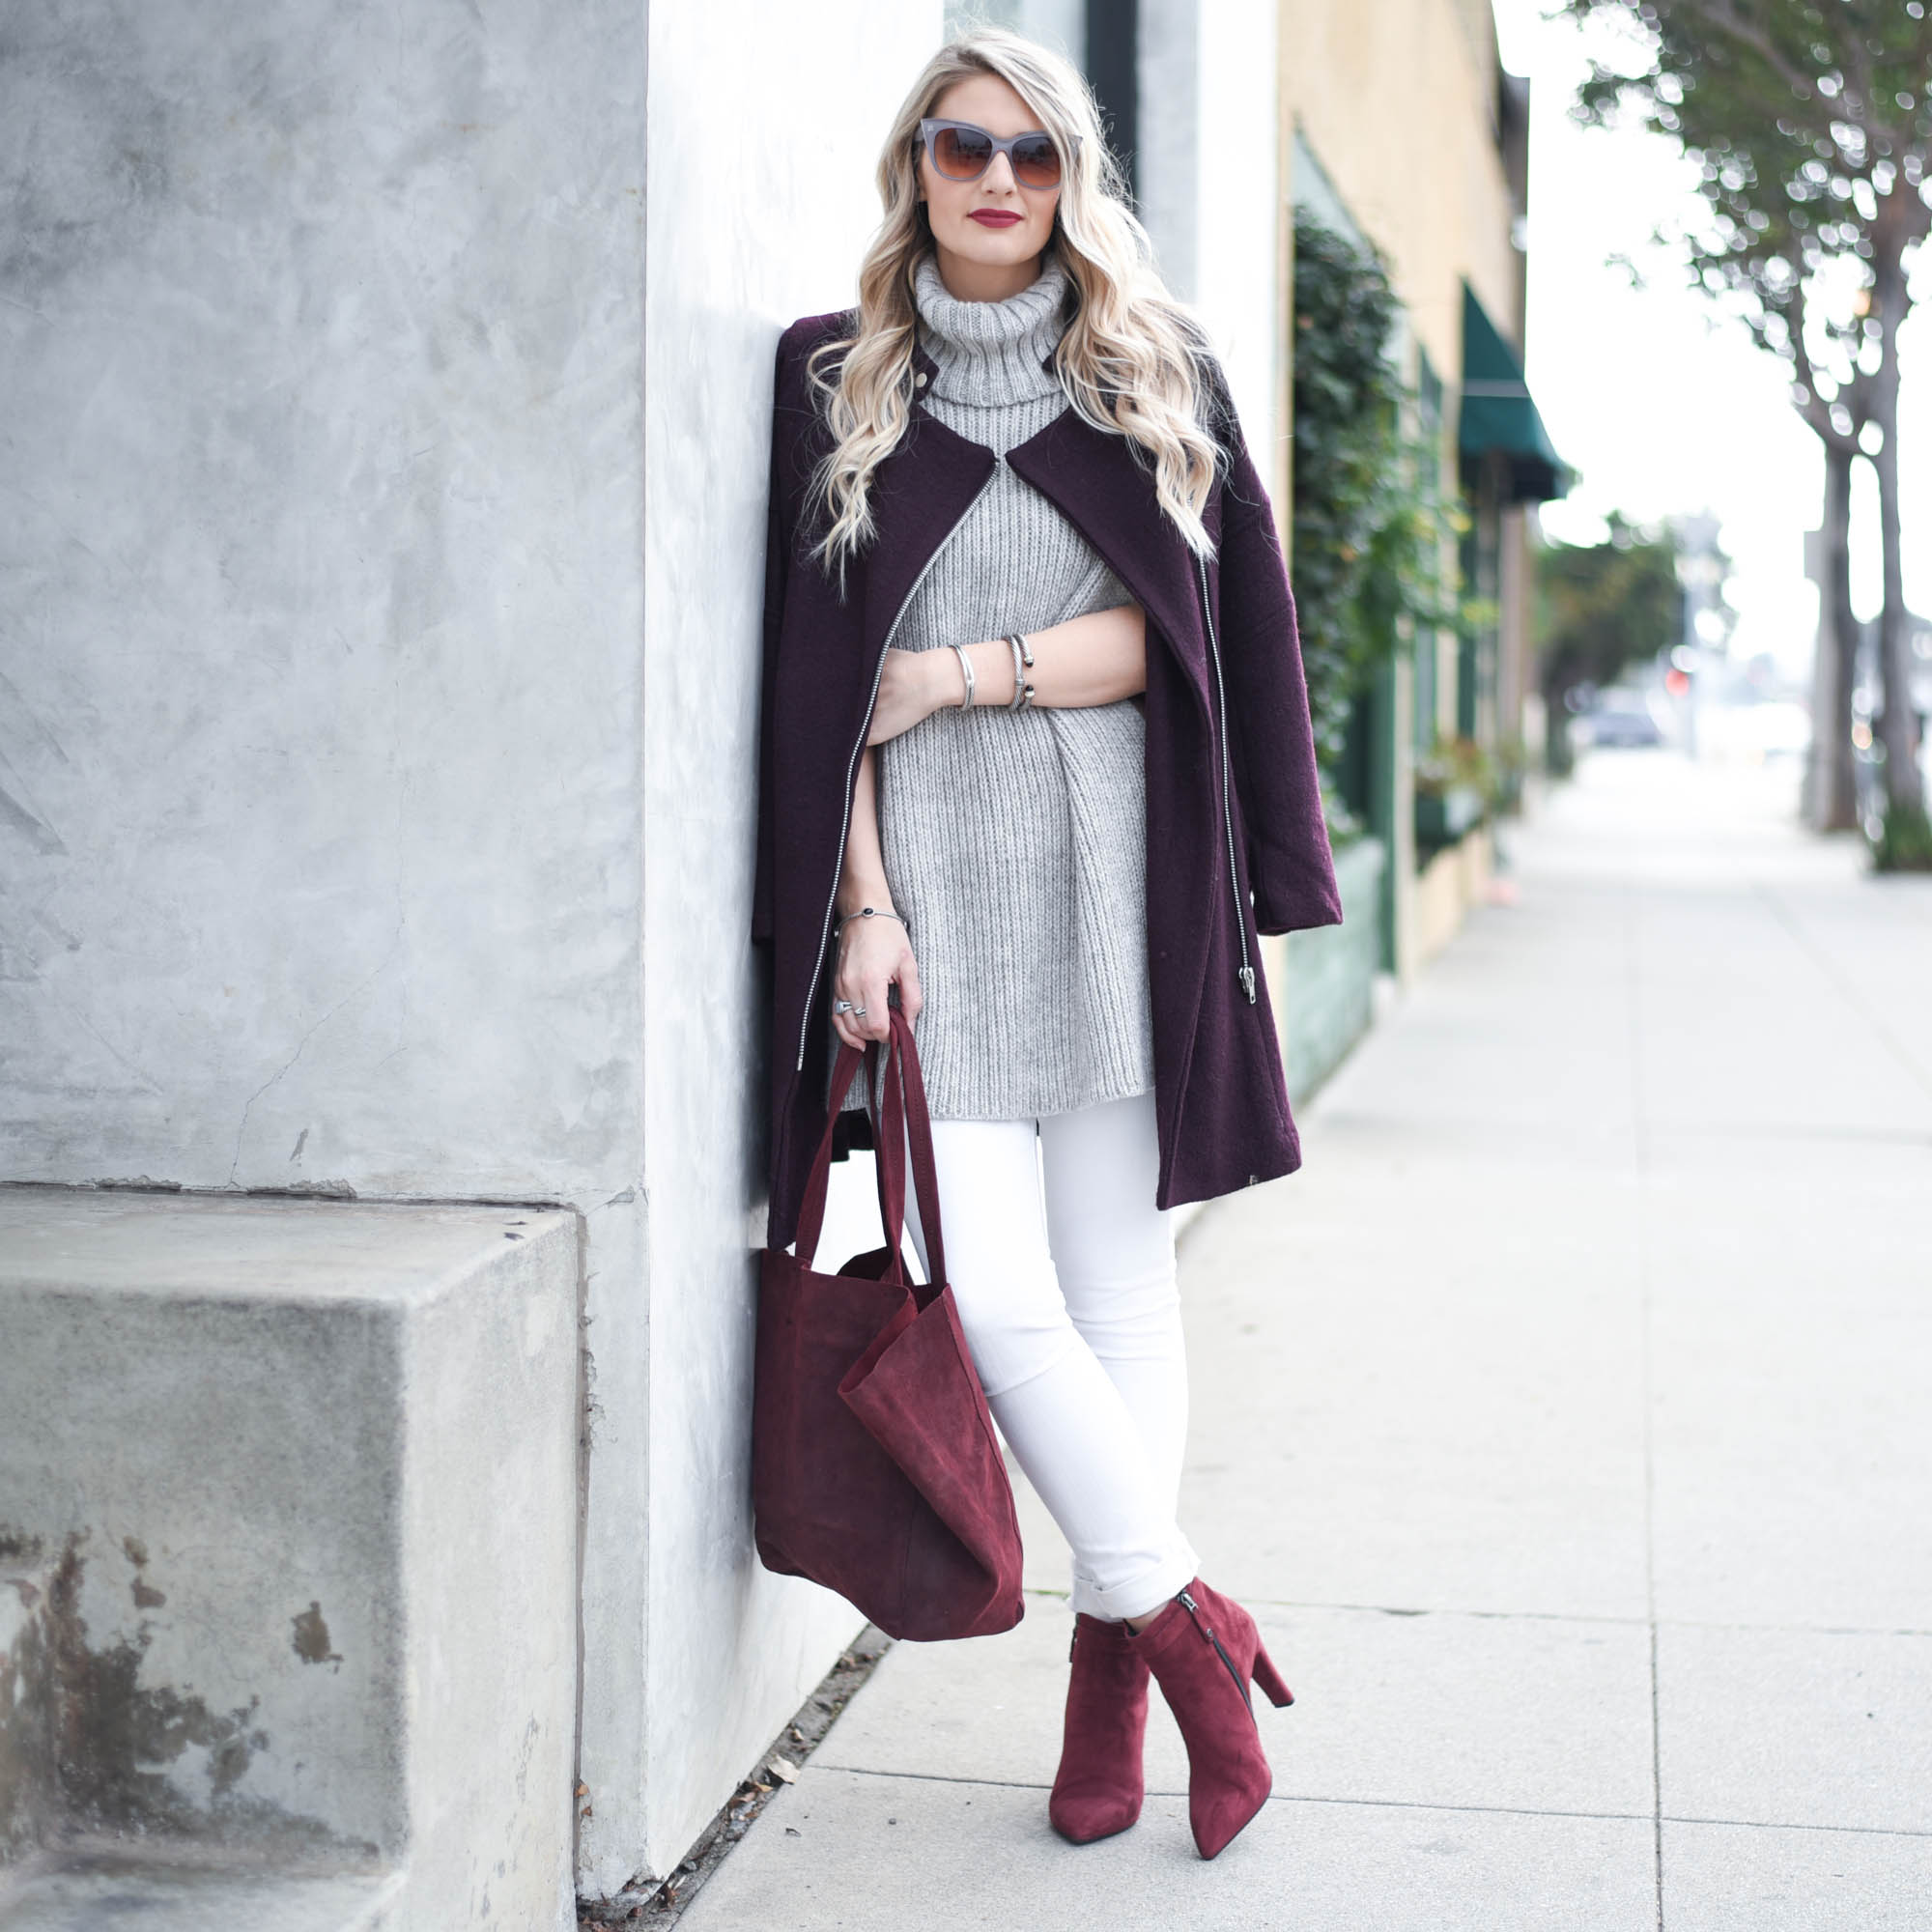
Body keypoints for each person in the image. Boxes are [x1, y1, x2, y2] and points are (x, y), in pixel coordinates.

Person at [752, 28, 1341, 1861]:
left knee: (1116, 1289)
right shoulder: (832, 379)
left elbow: (1195, 641)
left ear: (1072, 176)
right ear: (912, 167)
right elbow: (811, 681)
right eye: (959, 147)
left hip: (1126, 875)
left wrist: (963, 673)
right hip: (925, 884)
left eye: (1030, 151)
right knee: (994, 1295)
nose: (996, 179)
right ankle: (1188, 1630)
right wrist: (859, 906)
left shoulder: (1155, 373)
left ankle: (1113, 1674)